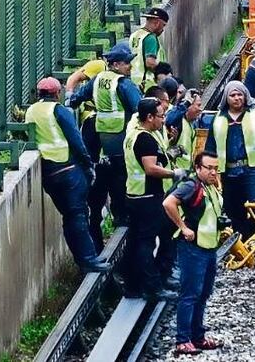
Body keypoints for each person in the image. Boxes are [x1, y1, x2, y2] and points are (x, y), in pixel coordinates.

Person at [25, 78, 110, 273]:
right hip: (67, 169)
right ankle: (88, 260)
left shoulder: (31, 111)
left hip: (48, 173)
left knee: (70, 216)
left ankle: (84, 259)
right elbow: (75, 139)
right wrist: (88, 165)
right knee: (78, 215)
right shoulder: (59, 110)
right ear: (57, 93)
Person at [70, 42, 142, 248]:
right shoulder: (124, 84)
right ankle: (122, 224)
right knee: (120, 188)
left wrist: (71, 103)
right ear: (116, 64)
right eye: (127, 63)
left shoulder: (97, 80)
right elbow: (140, 109)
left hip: (102, 146)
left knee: (97, 196)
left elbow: (76, 98)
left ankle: (96, 239)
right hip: (122, 145)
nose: (130, 66)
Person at [163, 151, 225, 356]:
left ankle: (198, 336)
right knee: (189, 294)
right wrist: (183, 228)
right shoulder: (191, 185)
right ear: (198, 168)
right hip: (193, 248)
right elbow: (168, 203)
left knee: (203, 293)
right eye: (209, 168)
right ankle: (182, 340)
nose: (213, 172)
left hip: (209, 248)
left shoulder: (210, 186)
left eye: (216, 168)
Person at [123, 97, 185, 300]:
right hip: (148, 196)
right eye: (161, 116)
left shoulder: (133, 134)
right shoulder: (145, 139)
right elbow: (150, 168)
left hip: (134, 194)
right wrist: (174, 173)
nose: (163, 119)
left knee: (135, 241)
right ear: (149, 117)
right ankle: (153, 287)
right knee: (146, 243)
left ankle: (132, 286)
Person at [205, 81, 255, 240]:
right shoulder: (218, 119)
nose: (237, 98)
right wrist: (209, 171)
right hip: (228, 171)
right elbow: (210, 147)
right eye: (233, 95)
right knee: (233, 210)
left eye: (240, 94)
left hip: (252, 170)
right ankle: (241, 242)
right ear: (226, 98)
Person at [128, 7, 169, 90]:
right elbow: (150, 63)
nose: (163, 29)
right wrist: (165, 70)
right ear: (157, 22)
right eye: (163, 25)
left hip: (133, 82)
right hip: (147, 84)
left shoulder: (135, 35)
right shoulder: (151, 38)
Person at [166, 90, 202, 172]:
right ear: (188, 106)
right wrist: (186, 102)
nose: (200, 109)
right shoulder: (178, 121)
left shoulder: (192, 124)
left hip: (187, 172)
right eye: (198, 105)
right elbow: (169, 120)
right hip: (176, 173)